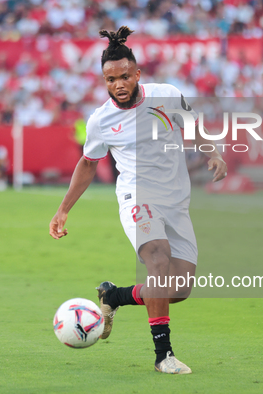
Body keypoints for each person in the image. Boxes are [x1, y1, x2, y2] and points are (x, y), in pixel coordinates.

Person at [49, 27, 227, 374]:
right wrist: (63, 209)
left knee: (177, 288)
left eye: (124, 76)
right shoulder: (101, 120)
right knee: (157, 260)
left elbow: (193, 126)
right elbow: (88, 163)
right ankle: (164, 356)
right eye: (110, 79)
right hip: (137, 196)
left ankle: (113, 297)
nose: (118, 84)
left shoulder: (167, 95)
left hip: (176, 201)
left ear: (138, 74)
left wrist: (214, 152)